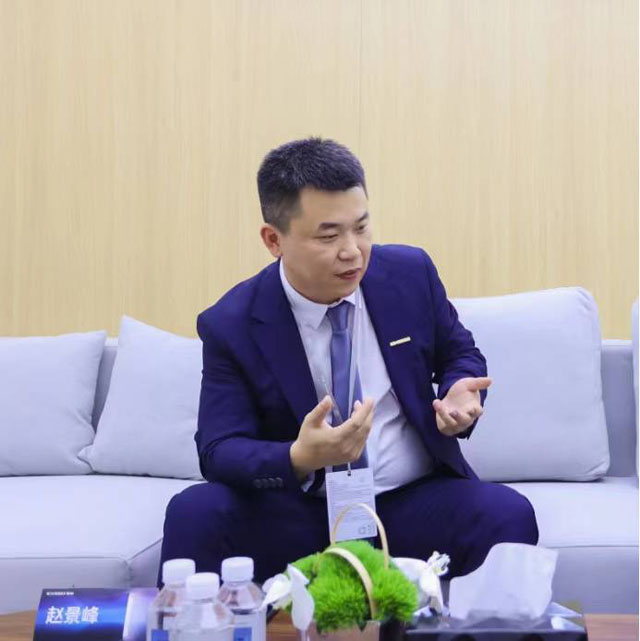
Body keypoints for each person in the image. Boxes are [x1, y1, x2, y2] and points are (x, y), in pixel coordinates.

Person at [158, 137, 538, 586]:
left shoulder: (410, 274)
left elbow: (459, 352)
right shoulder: (232, 322)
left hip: (407, 500)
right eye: (329, 235)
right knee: (194, 513)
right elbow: (219, 450)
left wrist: (458, 389)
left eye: (361, 227)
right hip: (301, 512)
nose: (353, 251)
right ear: (273, 240)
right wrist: (299, 456)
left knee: (507, 514)